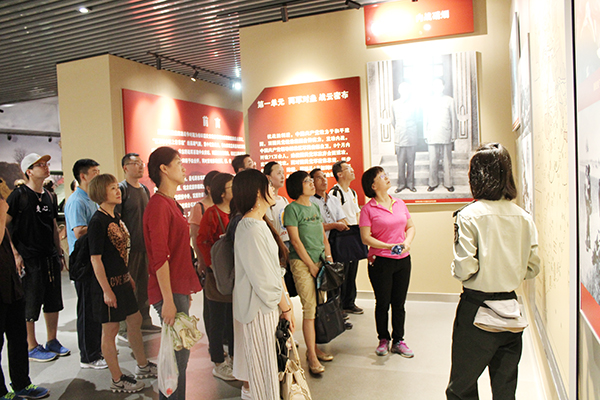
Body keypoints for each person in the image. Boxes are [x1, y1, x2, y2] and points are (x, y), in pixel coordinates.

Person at [446, 143, 541, 400]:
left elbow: (465, 269)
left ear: (475, 176)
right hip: (511, 310)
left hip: (476, 309)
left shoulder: (468, 216)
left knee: (461, 388)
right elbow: (533, 267)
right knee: (505, 390)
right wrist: (508, 269)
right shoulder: (523, 217)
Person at [87, 174, 157, 393]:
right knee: (110, 330)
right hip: (109, 285)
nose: (117, 191)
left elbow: (120, 253)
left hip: (123, 281)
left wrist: (128, 275)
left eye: (116, 187)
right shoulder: (97, 221)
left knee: (135, 320)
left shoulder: (115, 216)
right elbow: (96, 259)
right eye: (112, 188)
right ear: (101, 192)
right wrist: (106, 290)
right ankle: (117, 379)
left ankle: (142, 365)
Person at [143, 147, 201, 400]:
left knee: (180, 355)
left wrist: (183, 291)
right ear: (164, 169)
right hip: (168, 290)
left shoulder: (171, 203)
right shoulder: (158, 206)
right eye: (178, 162)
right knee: (176, 359)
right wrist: (168, 299)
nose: (183, 167)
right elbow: (160, 258)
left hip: (177, 288)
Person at [232, 169, 295, 400]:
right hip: (259, 310)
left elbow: (273, 271)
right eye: (268, 186)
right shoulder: (250, 227)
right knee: (264, 376)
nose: (273, 190)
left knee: (269, 372)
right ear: (258, 192)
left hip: (267, 307)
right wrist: (286, 307)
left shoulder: (257, 224)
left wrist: (286, 305)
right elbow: (265, 280)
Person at [5, 153, 69, 363]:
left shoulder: (50, 195)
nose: (45, 167)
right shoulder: (19, 196)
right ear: (29, 171)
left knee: (53, 300)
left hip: (49, 256)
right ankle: (31, 345)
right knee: (30, 302)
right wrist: (15, 254)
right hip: (29, 258)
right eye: (39, 164)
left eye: (46, 163)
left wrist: (59, 252)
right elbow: (4, 224)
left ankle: (52, 340)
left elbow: (52, 224)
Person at [359, 166, 416, 358]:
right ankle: (383, 338)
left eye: (386, 175)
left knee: (399, 303)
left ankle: (399, 340)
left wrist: (407, 243)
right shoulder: (368, 209)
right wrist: (388, 246)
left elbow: (410, 227)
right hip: (380, 262)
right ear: (373, 185)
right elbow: (365, 237)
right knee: (383, 302)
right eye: (382, 176)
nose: (387, 178)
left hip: (403, 261)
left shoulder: (399, 203)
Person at [0, 190, 50, 400]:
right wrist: (1, 212)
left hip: (10, 283)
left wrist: (14, 253)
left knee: (18, 338)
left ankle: (22, 383)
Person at [284, 170, 333, 375]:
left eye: (311, 180)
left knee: (320, 306)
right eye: (307, 181)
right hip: (302, 263)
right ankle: (311, 355)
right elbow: (295, 241)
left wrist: (328, 258)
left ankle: (315, 347)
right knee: (309, 308)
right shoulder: (292, 209)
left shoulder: (314, 206)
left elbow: (322, 236)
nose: (312, 183)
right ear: (298, 186)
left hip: (320, 262)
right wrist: (311, 265)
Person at [64, 158, 106, 369]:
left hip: (94, 258)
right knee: (87, 310)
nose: (98, 175)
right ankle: (88, 356)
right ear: (83, 176)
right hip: (83, 262)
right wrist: (102, 223)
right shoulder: (76, 201)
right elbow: (79, 231)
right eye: (94, 172)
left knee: (95, 307)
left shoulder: (91, 199)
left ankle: (96, 349)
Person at [114, 153, 159, 343]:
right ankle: (125, 327)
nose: (140, 167)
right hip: (129, 250)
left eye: (141, 163)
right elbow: (116, 220)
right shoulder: (122, 190)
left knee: (144, 286)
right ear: (125, 167)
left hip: (144, 246)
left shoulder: (144, 190)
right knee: (128, 287)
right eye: (135, 163)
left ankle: (145, 321)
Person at [196, 173, 235, 382]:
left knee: (232, 319)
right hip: (217, 275)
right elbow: (202, 241)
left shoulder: (236, 212)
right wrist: (212, 265)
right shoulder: (211, 213)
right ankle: (218, 361)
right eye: (231, 187)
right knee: (217, 320)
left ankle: (234, 357)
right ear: (221, 192)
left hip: (233, 274)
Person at [330, 161, 364, 315]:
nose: (352, 170)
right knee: (342, 272)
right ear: (340, 174)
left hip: (353, 234)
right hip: (342, 235)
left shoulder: (352, 192)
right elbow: (334, 216)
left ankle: (350, 302)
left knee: (352, 271)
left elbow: (356, 213)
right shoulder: (335, 193)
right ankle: (339, 305)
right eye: (348, 168)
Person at [423, 78, 457, 192]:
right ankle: (432, 183)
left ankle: (448, 183)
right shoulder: (428, 100)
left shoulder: (450, 100)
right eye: (435, 85)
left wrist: (454, 134)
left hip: (446, 133)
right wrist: (425, 134)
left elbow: (453, 118)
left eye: (440, 85)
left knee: (447, 161)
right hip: (432, 133)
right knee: (433, 161)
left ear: (443, 87)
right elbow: (425, 119)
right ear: (433, 87)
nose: (438, 87)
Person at [391, 82, 418, 193]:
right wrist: (400, 129)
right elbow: (393, 121)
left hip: (411, 137)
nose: (404, 91)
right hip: (400, 137)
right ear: (399, 90)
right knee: (401, 163)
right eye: (402, 89)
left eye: (406, 89)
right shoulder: (394, 104)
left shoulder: (414, 103)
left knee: (411, 163)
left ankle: (411, 184)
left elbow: (416, 119)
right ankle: (401, 184)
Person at [189, 170, 219, 262]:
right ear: (208, 189)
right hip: (209, 258)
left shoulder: (223, 205)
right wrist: (202, 261)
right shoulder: (199, 208)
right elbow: (196, 238)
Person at [263, 162, 289, 244]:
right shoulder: (265, 202)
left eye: (283, 173)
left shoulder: (284, 200)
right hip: (276, 243)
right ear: (268, 177)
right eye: (279, 173)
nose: (282, 176)